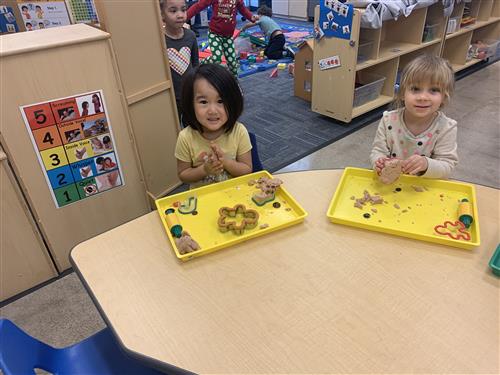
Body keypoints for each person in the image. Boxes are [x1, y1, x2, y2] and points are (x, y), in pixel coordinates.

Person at [370, 54, 457, 179]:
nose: (423, 97)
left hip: (426, 186)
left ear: (444, 97)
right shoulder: (388, 120)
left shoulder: (446, 127)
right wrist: (379, 162)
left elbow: (447, 166)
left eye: (433, 90)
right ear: (402, 93)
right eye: (415, 89)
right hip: (392, 183)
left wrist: (427, 164)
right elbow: (378, 151)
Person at [175, 63, 253, 188]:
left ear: (233, 102)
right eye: (203, 102)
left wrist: (225, 162)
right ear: (190, 104)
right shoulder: (185, 137)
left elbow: (247, 169)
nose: (212, 110)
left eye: (220, 101)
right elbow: (183, 174)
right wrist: (204, 170)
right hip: (203, 199)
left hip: (235, 194)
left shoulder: (239, 131)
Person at [186, 0, 258, 78]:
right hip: (215, 34)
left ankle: (234, 84)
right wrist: (185, 16)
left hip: (228, 37)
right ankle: (201, 62)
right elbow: (199, 6)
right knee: (217, 59)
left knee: (233, 65)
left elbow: (242, 9)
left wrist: (251, 17)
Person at [161, 0, 199, 126]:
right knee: (173, 129)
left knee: (193, 127)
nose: (180, 15)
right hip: (171, 98)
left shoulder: (191, 36)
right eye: (173, 11)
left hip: (189, 94)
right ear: (162, 15)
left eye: (183, 9)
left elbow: (195, 64)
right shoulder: (160, 40)